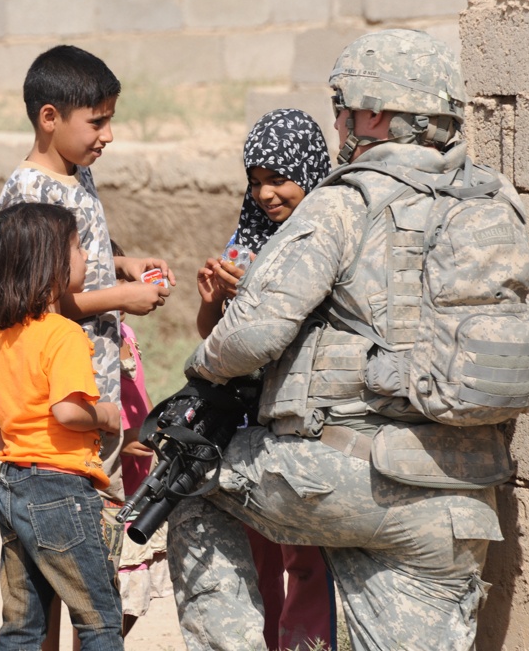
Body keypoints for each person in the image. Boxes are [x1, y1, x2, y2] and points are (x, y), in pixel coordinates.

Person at [169, 29, 529, 651]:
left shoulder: (345, 200)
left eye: (343, 108)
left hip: (347, 479)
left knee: (191, 485)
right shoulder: (495, 201)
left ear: (374, 113)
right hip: (463, 500)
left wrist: (202, 364)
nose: (338, 123)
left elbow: (253, 333)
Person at [0, 44, 174, 651]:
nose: (108, 135)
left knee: (94, 543)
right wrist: (120, 296)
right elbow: (44, 301)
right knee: (66, 556)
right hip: (64, 404)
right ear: (50, 118)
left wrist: (122, 261)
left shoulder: (76, 175)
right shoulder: (29, 194)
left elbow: (86, 255)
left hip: (95, 377)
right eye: (96, 121)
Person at [193, 108, 337, 651]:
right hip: (248, 419)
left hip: (305, 417)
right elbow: (216, 336)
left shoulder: (327, 235)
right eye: (255, 182)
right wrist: (214, 302)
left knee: (303, 553)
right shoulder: (249, 236)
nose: (265, 195)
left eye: (278, 179)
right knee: (258, 552)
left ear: (308, 170)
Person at [0, 202, 124, 651]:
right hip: (60, 491)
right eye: (77, 248)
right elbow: (67, 412)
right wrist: (107, 417)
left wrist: (17, 443)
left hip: (13, 485)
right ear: (51, 264)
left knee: (22, 624)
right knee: (99, 618)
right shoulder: (64, 334)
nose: (87, 257)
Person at [109, 239, 173, 638]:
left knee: (129, 588)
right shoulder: (79, 341)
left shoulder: (125, 333)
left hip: (137, 477)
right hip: (109, 477)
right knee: (105, 587)